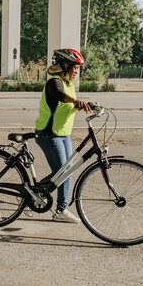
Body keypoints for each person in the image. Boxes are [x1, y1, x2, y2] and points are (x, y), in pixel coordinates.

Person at [34, 48, 91, 223]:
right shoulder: (54, 83)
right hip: (49, 134)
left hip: (63, 134)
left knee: (66, 171)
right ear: (65, 66)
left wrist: (85, 106)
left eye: (78, 68)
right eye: (74, 67)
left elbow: (66, 106)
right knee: (62, 172)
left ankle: (35, 194)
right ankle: (61, 210)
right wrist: (75, 102)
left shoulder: (69, 84)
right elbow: (60, 96)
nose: (76, 71)